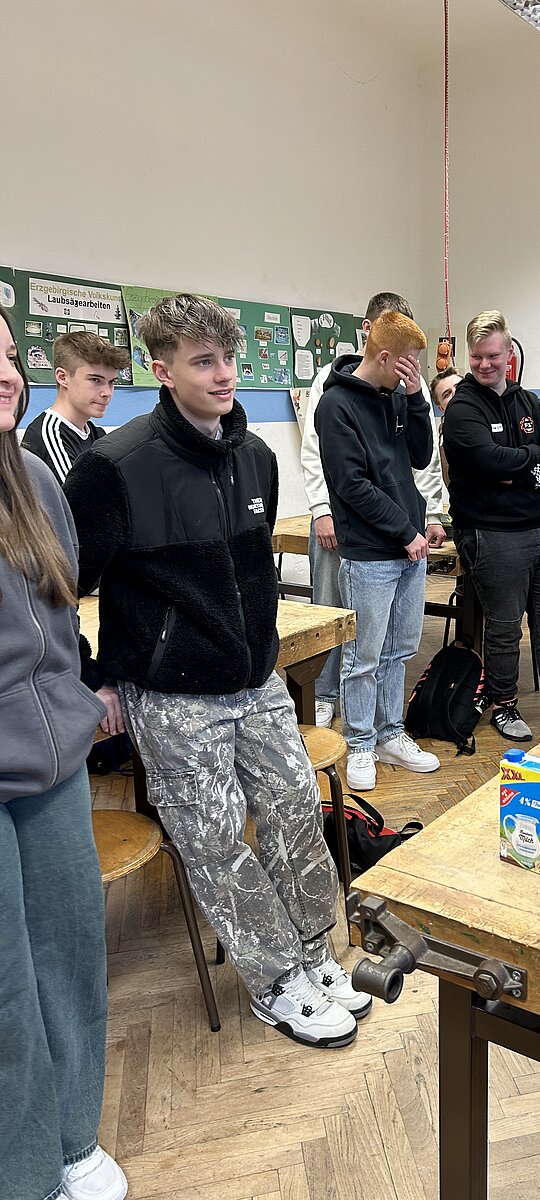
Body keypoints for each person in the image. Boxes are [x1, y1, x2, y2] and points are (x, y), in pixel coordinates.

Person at [63, 294, 368, 1050]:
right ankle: (275, 981)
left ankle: (314, 955)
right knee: (216, 842)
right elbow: (62, 583)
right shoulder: (113, 467)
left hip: (255, 680)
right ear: (162, 371)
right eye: (203, 361)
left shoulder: (254, 456)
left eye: (229, 358)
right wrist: (96, 675)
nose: (224, 374)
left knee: (295, 808)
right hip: (172, 696)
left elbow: (253, 578)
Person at [0, 307, 127, 1200]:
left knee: (71, 953)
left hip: (52, 765)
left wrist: (86, 696)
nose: (6, 374)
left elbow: (62, 613)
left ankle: (73, 1136)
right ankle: (25, 1172)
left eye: (8, 354)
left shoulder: (36, 480)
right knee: (5, 987)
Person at [299, 292, 445, 728]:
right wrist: (322, 509)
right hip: (365, 545)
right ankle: (353, 730)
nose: (413, 371)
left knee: (398, 649)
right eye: (409, 363)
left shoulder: (400, 391)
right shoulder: (334, 400)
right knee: (355, 645)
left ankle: (389, 730)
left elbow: (420, 456)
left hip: (405, 544)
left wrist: (416, 398)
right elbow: (347, 480)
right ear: (384, 355)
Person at [442, 310, 540, 741]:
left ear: (508, 354)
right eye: (477, 356)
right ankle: (504, 704)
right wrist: (535, 460)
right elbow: (486, 460)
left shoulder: (528, 402)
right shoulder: (462, 408)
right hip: (491, 533)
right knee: (503, 628)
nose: (485, 364)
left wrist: (521, 473)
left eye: (493, 356)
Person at [21, 331, 129, 484]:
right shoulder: (49, 435)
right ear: (63, 377)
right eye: (95, 380)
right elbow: (78, 497)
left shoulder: (96, 433)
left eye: (111, 382)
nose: (107, 393)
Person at [430, 365, 462, 490]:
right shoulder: (447, 434)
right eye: (447, 394)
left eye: (459, 387)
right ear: (441, 408)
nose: (455, 393)